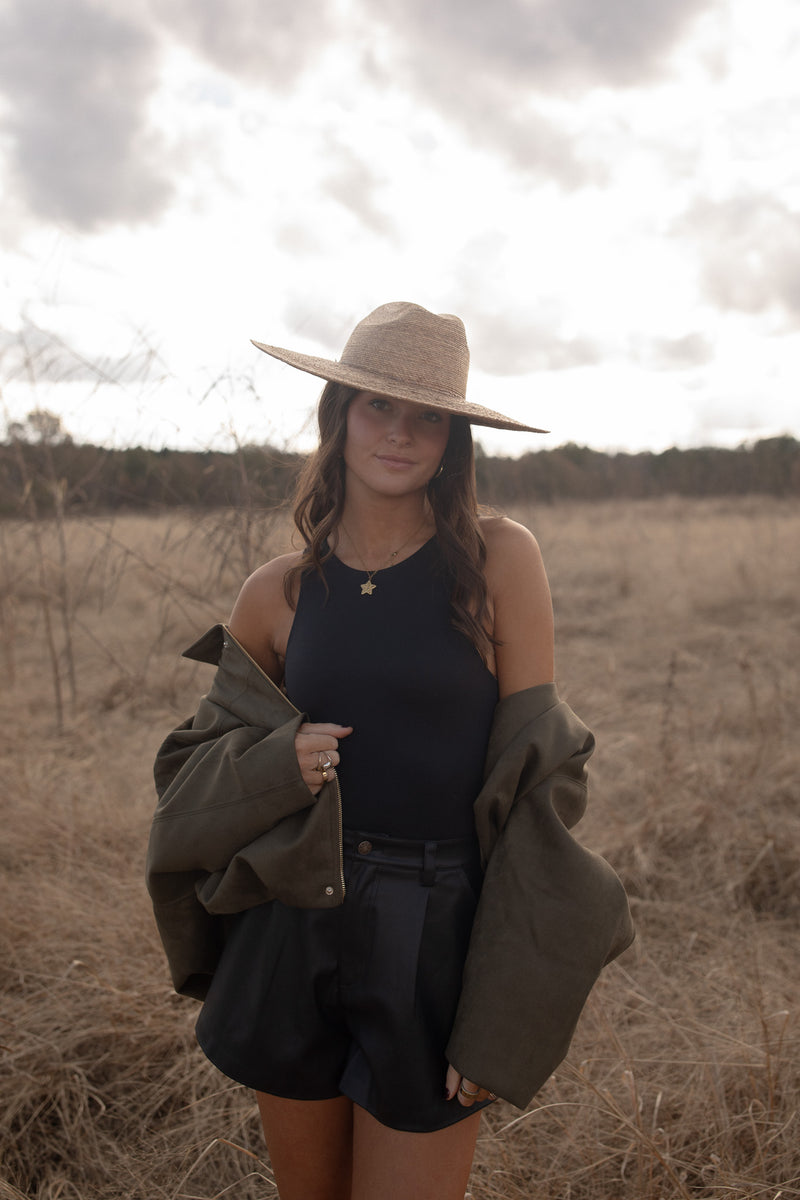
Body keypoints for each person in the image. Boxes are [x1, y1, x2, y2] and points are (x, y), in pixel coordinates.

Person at [146, 302, 634, 1200]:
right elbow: (187, 775)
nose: (400, 433)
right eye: (377, 407)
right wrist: (273, 762)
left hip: (436, 929)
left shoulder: (499, 559)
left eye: (427, 415)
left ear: (454, 438)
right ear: (337, 417)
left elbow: (540, 784)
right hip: (293, 928)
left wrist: (503, 1013)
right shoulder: (277, 593)